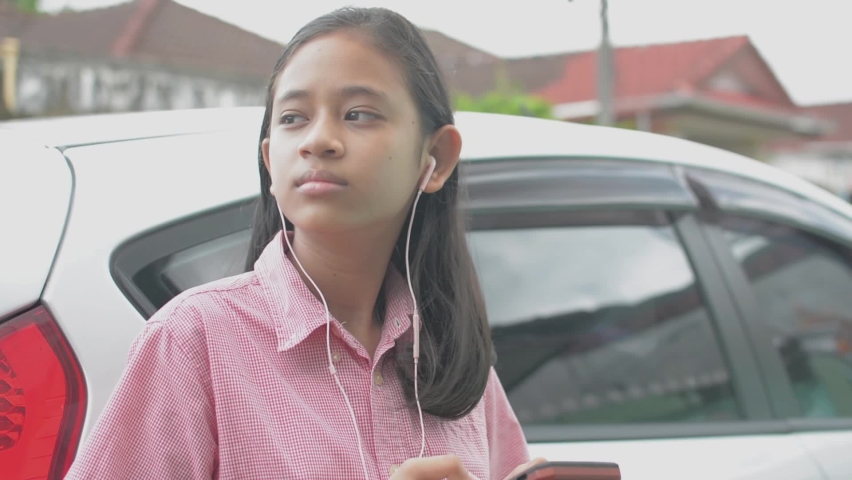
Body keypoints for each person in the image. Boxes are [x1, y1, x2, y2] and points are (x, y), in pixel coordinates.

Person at [65, 7, 543, 480]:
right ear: (271, 162)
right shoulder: (195, 339)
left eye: (358, 114)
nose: (318, 141)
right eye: (293, 118)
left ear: (435, 158)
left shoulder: (453, 361)